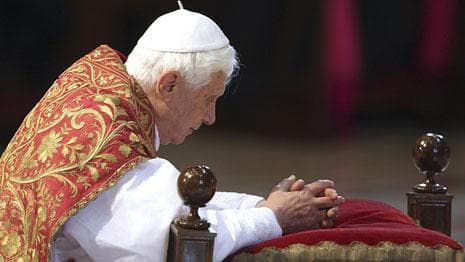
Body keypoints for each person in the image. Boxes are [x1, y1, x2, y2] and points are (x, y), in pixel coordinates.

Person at [0, 5, 343, 262]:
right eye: (207, 99)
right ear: (169, 84)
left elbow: (164, 204)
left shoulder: (98, 89)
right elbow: (177, 242)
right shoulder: (106, 140)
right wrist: (275, 217)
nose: (210, 117)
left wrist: (259, 205)